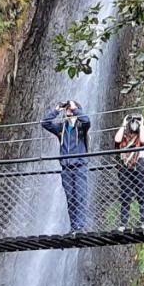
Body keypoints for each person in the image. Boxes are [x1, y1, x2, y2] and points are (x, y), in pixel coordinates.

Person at [41, 100, 91, 233]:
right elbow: (45, 123)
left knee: (80, 196)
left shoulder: (81, 126)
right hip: (66, 169)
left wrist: (75, 109)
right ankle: (74, 227)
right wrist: (57, 109)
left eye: (70, 109)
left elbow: (87, 121)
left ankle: (81, 226)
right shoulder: (61, 128)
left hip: (80, 166)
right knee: (71, 198)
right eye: (67, 109)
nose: (68, 111)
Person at [113, 113, 144, 229]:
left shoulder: (142, 135)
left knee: (142, 194)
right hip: (124, 167)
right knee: (126, 196)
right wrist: (124, 124)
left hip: (140, 165)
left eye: (136, 121)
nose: (134, 123)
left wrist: (142, 125)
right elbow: (117, 139)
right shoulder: (124, 136)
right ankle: (123, 224)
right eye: (132, 121)